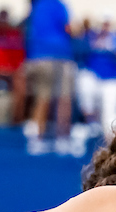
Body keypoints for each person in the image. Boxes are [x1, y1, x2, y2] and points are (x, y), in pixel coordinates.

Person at [23, 0, 74, 140]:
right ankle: (62, 137)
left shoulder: (37, 6)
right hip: (59, 55)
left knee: (42, 97)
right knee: (64, 97)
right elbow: (69, 28)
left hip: (38, 57)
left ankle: (37, 136)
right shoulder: (58, 6)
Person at [76, 15, 116, 136]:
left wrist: (114, 48)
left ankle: (113, 142)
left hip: (113, 79)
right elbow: (81, 56)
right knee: (84, 80)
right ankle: (90, 122)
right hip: (94, 78)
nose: (105, 25)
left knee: (110, 114)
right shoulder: (91, 37)